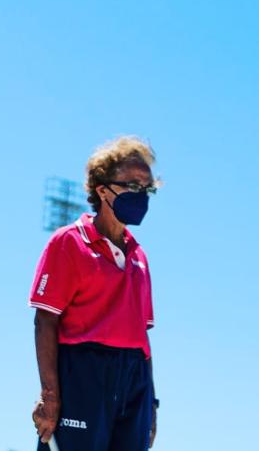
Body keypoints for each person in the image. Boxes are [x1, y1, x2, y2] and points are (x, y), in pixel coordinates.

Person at [29, 136, 161, 451]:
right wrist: (49, 396)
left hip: (134, 377)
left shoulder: (139, 256)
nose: (141, 195)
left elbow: (143, 337)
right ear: (102, 189)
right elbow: (45, 320)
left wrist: (151, 404)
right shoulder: (68, 242)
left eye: (148, 188)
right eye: (133, 185)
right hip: (84, 372)